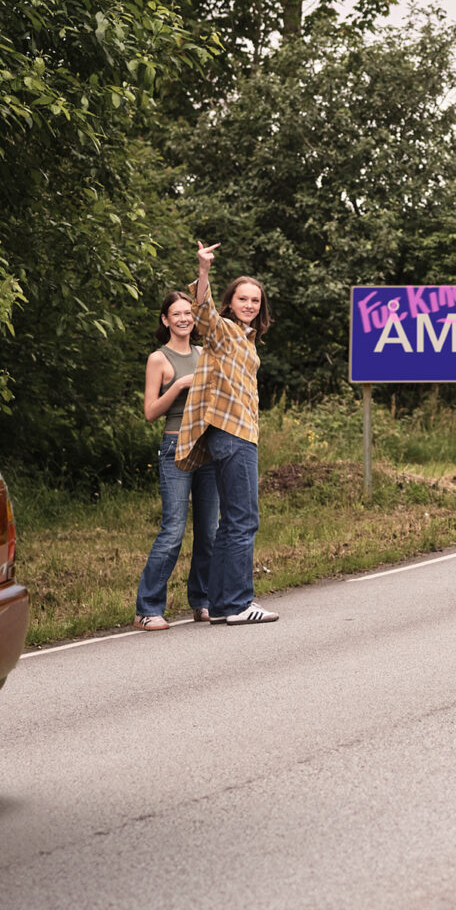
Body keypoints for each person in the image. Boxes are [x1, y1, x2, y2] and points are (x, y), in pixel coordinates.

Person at [174, 242, 278, 625]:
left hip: (237, 434)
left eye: (255, 300)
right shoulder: (224, 332)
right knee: (242, 519)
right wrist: (203, 271)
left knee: (231, 520)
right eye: (243, 298)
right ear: (230, 302)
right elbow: (202, 311)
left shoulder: (248, 342)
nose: (249, 304)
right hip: (232, 434)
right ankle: (237, 603)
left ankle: (220, 605)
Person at [134, 292, 218, 630]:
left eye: (188, 313)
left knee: (209, 532)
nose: (183, 318)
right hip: (175, 448)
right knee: (172, 531)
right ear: (166, 320)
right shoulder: (159, 358)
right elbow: (151, 412)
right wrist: (180, 384)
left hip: (208, 447)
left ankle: (202, 601)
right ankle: (148, 609)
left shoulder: (203, 353)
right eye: (176, 314)